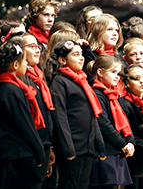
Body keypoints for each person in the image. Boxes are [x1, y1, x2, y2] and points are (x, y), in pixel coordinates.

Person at [44, 40, 106, 189]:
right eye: (76, 54)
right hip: (73, 147)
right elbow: (61, 117)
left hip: (87, 147)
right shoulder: (60, 82)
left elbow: (92, 115)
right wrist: (68, 147)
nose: (81, 58)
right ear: (62, 60)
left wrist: (99, 145)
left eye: (81, 54)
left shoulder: (82, 81)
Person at [0, 37, 46, 189]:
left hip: (15, 156)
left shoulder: (7, 88)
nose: (27, 64)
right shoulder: (11, 91)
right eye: (24, 61)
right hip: (18, 157)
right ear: (15, 64)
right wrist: (39, 151)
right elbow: (25, 126)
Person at [87, 54, 135, 189]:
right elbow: (104, 124)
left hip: (117, 150)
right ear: (100, 72)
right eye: (113, 72)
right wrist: (123, 143)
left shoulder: (113, 94)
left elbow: (124, 120)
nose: (117, 76)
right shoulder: (97, 94)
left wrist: (130, 141)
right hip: (106, 151)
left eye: (118, 73)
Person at [21, 32, 56, 187]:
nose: (37, 50)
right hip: (30, 150)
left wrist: (49, 148)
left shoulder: (38, 77)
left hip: (44, 146)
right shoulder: (20, 81)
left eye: (38, 46)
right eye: (31, 46)